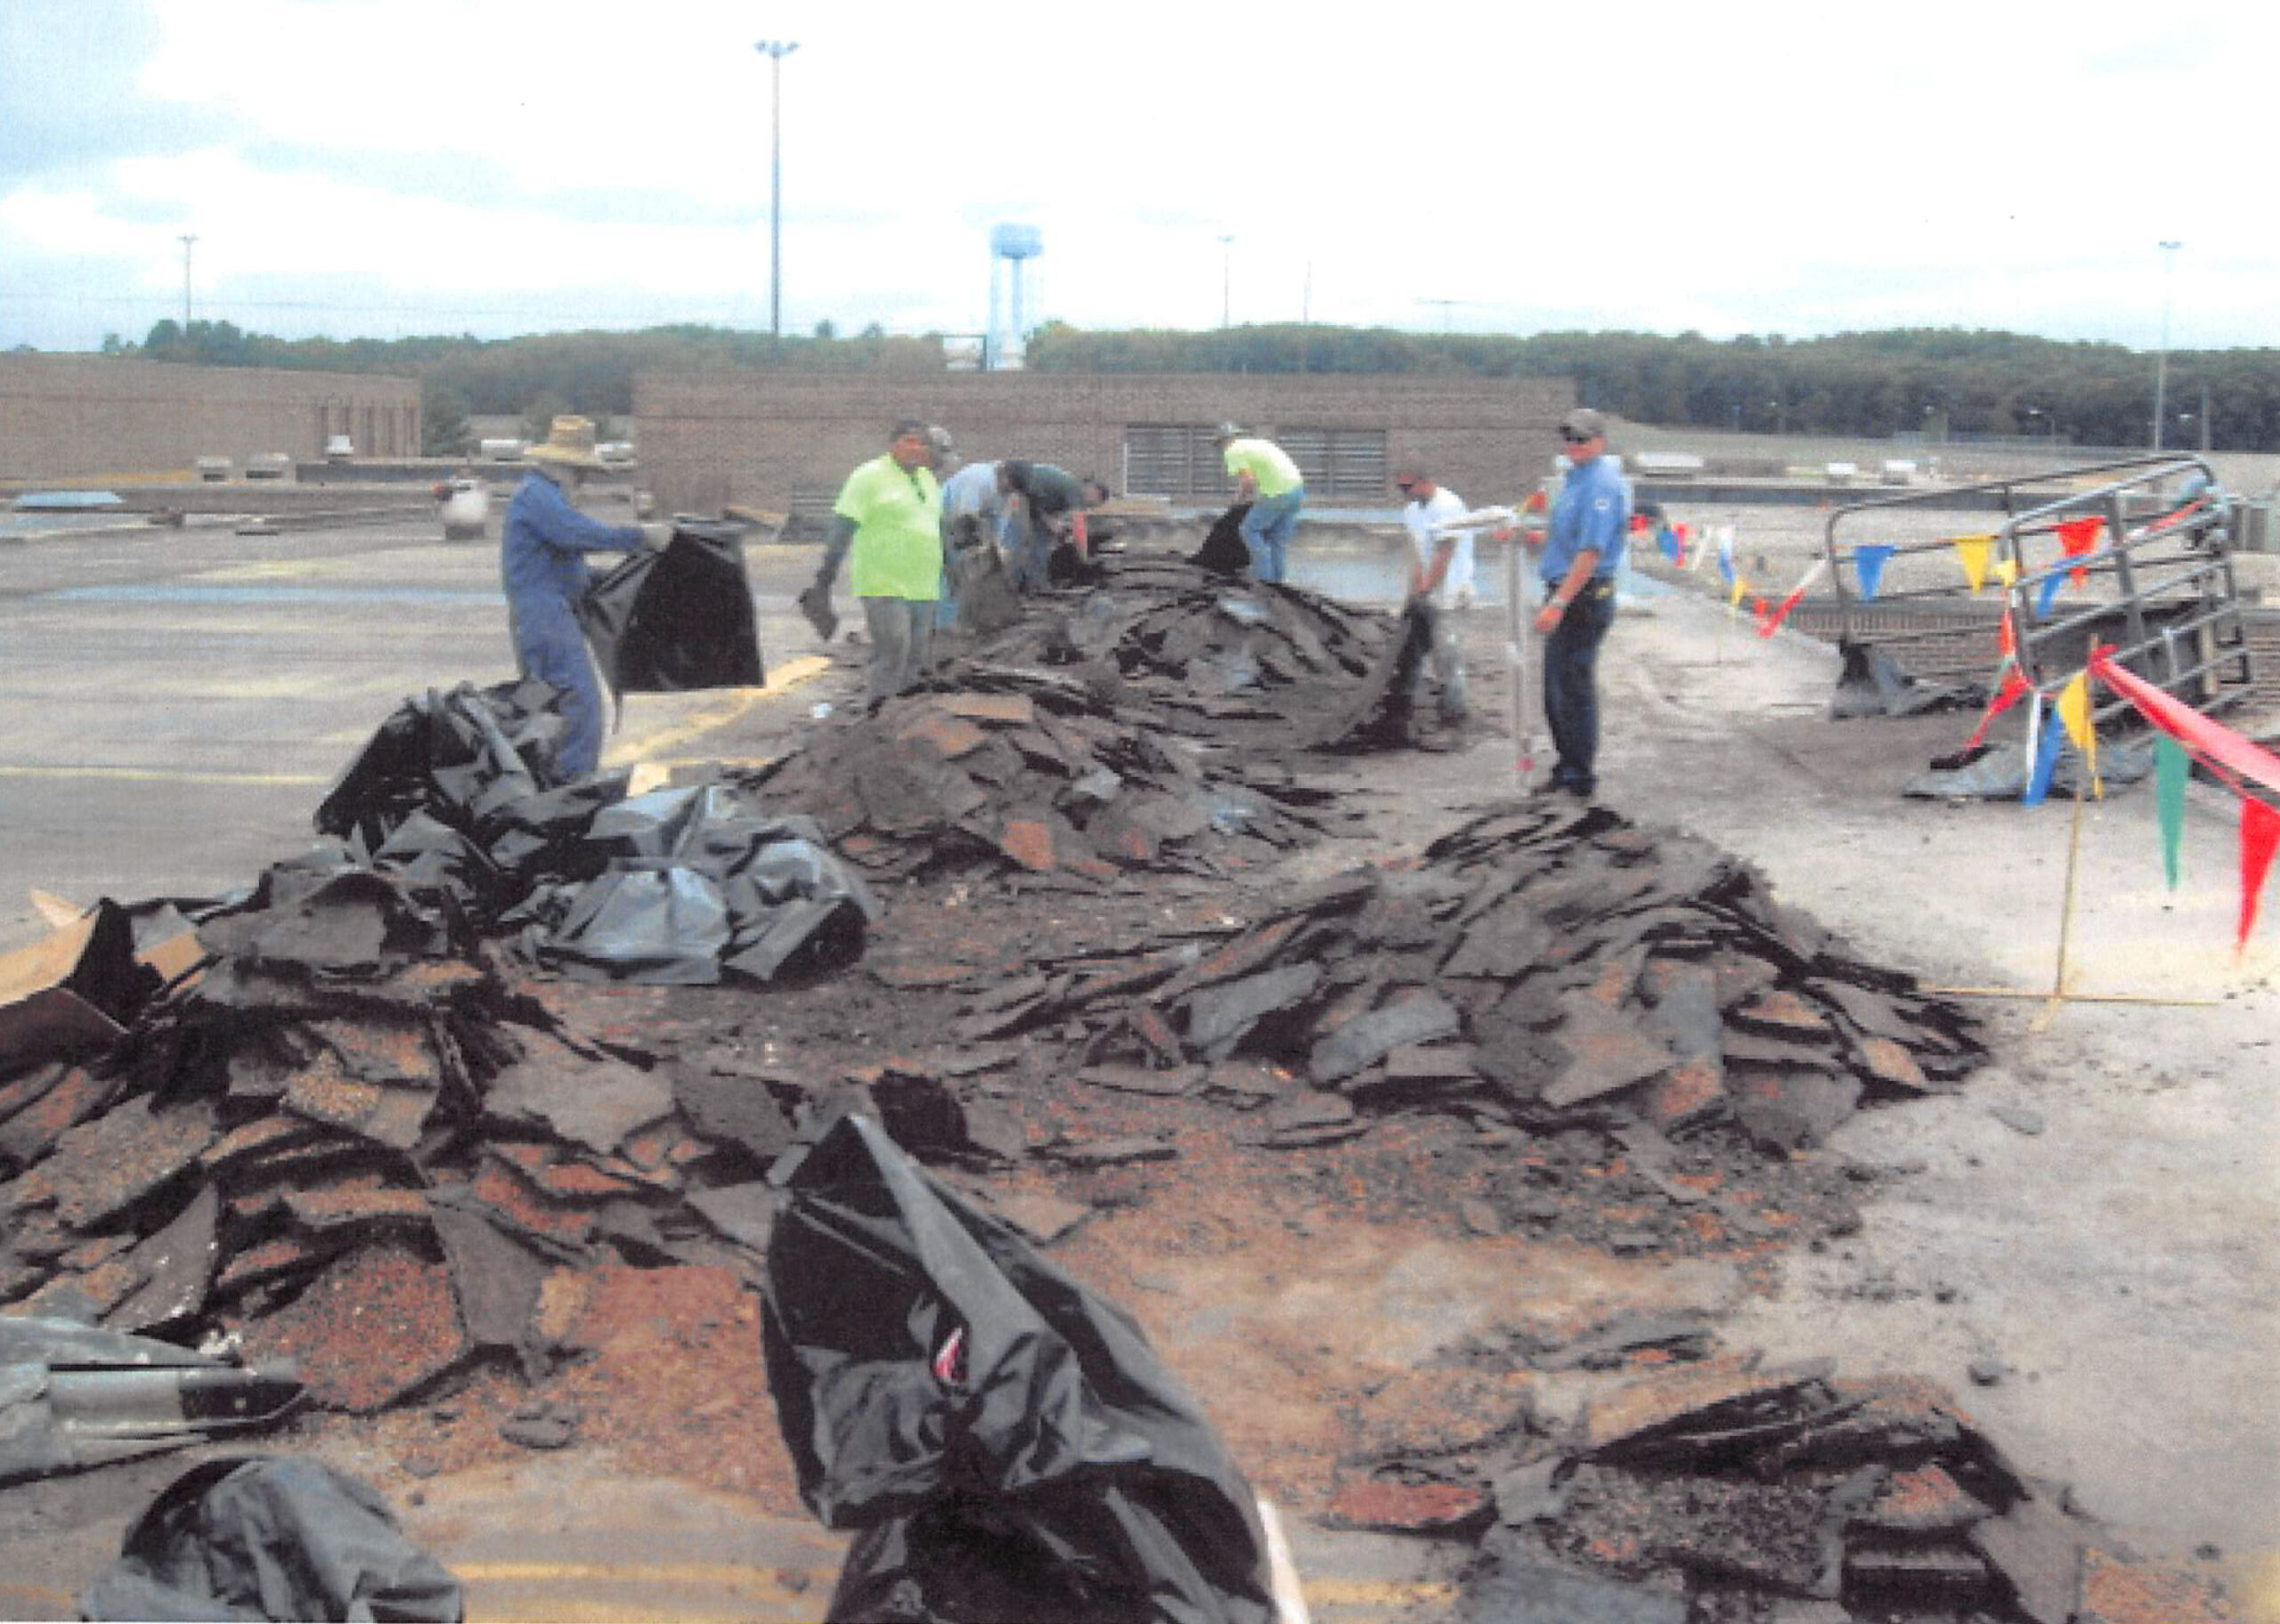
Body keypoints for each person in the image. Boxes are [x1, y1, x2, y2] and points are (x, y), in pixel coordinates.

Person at [501, 414, 670, 779]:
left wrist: (620, 578)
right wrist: (639, 538)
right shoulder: (538, 497)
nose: (583, 481)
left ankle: (554, 789)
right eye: (580, 472)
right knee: (578, 710)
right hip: (546, 619)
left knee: (553, 711)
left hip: (550, 615)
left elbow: (567, 568)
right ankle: (571, 793)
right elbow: (575, 533)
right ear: (561, 466)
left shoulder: (543, 497)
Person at [810, 420, 949, 702]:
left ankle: (905, 716)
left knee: (916, 656)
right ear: (893, 445)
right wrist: (826, 573)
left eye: (921, 443)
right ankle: (878, 715)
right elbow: (843, 524)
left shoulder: (927, 480)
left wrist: (951, 568)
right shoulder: (869, 476)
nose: (916, 448)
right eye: (909, 441)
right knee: (893, 649)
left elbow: (936, 527)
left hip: (923, 585)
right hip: (883, 581)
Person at [1528, 407, 1629, 797]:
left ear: (1600, 441)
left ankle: (1579, 775)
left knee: (1572, 687)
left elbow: (1590, 553)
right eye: (1569, 438)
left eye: (1582, 439)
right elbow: (1568, 539)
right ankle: (1567, 766)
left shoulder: (1601, 484)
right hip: (1568, 590)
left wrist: (1558, 604)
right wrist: (1529, 538)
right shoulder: (1575, 479)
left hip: (1582, 599)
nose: (1574, 445)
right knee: (1557, 687)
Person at [1395, 460, 1475, 732]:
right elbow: (1417, 553)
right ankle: (1402, 706)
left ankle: (1454, 714)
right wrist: (1415, 588)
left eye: (1409, 486)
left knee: (1447, 656)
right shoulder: (1411, 511)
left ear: (1424, 481)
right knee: (1409, 651)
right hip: (1426, 594)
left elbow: (1445, 553)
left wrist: (1427, 585)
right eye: (1401, 487)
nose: (1405, 492)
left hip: (1451, 593)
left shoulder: (1448, 507)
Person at [998, 460, 1110, 592]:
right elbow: (1079, 528)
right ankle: (1033, 585)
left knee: (1035, 540)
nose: (1090, 508)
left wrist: (1051, 522)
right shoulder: (1075, 490)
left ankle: (1024, 582)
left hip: (1028, 498)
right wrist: (1084, 560)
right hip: (1019, 494)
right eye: (1094, 504)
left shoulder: (1067, 487)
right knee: (1032, 543)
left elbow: (1040, 500)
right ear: (1094, 493)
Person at [1212, 422, 1304, 582]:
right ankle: (1278, 580)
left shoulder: (1233, 451)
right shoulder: (1261, 444)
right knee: (1277, 539)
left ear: (1224, 441)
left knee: (1249, 530)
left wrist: (1238, 499)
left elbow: (1248, 480)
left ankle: (1263, 579)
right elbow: (1266, 473)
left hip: (1278, 493)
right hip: (1297, 490)